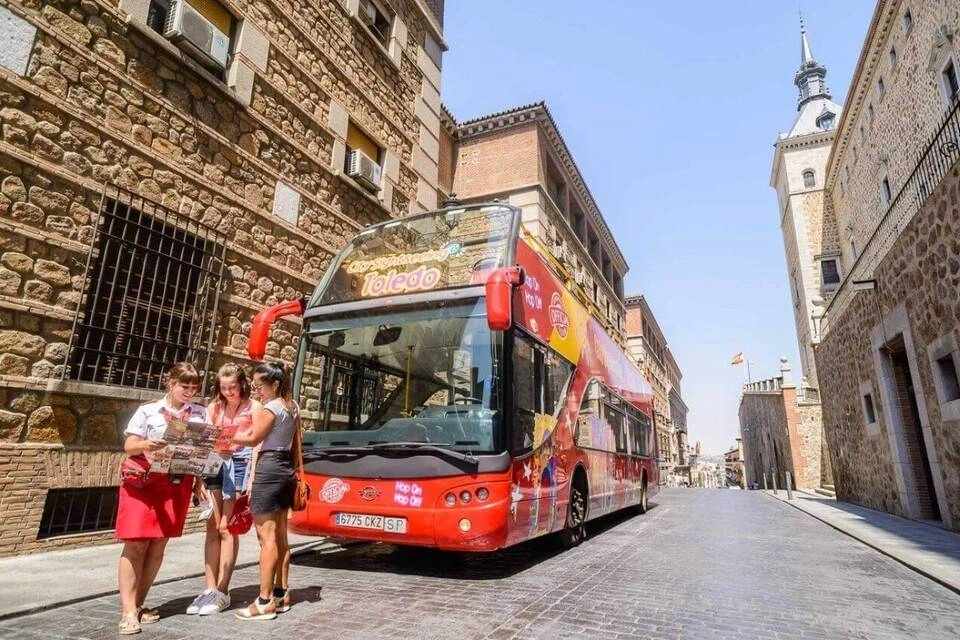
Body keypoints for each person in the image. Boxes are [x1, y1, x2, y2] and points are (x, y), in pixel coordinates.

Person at [116, 362, 205, 635]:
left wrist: (200, 481)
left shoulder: (200, 414)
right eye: (184, 386)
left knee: (157, 546)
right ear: (170, 382)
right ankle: (128, 611)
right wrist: (146, 444)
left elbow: (201, 452)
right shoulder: (148, 411)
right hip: (143, 484)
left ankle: (139, 604)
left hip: (175, 484)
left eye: (193, 387)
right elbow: (129, 446)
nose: (189, 392)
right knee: (135, 543)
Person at [185, 364, 259, 616]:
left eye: (233, 387)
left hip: (238, 464)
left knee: (227, 527)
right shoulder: (213, 407)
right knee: (212, 527)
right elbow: (202, 442)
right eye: (224, 387)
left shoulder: (253, 407)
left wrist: (251, 480)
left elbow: (257, 442)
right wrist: (197, 478)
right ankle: (209, 588)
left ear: (242, 385)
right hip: (214, 463)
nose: (228, 392)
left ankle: (223, 589)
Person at [232, 361, 300, 620]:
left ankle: (264, 600)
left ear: (275, 384)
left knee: (266, 537)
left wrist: (224, 435)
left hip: (270, 466)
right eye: (254, 385)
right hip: (285, 469)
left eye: (260, 385)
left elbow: (252, 438)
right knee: (281, 534)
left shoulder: (270, 407)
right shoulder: (292, 407)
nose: (256, 389)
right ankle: (282, 594)